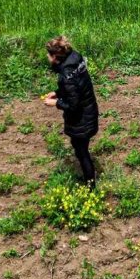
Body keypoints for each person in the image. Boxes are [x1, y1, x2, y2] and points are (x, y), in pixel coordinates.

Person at [41, 36, 99, 187]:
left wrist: (56, 102)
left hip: (82, 118)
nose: (47, 57)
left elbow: (73, 105)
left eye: (48, 55)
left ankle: (90, 187)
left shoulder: (66, 74)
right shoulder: (75, 58)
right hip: (89, 109)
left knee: (82, 153)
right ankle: (89, 181)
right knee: (79, 146)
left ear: (55, 57)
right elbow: (76, 86)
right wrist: (58, 92)